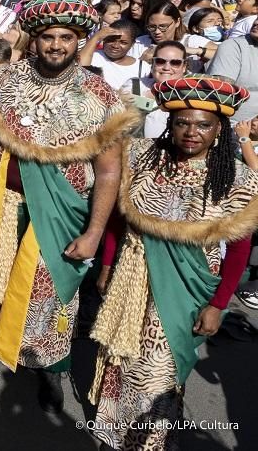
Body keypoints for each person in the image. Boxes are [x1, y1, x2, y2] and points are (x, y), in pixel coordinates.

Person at [0, 0, 138, 413]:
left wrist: (94, 233)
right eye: (48, 37)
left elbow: (109, 172)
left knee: (52, 290)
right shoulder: (0, 82)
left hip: (61, 211)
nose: (56, 45)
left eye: (66, 37)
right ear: (34, 39)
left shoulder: (101, 96)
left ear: (79, 41)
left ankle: (49, 364)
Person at [89, 77, 257, 451]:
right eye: (183, 123)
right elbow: (118, 218)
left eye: (204, 125)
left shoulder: (238, 179)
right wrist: (107, 266)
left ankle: (147, 441)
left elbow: (239, 251)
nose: (192, 132)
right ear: (170, 123)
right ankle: (112, 434)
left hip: (186, 286)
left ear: (219, 129)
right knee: (120, 358)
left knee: (159, 372)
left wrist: (218, 305)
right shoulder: (141, 156)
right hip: (131, 274)